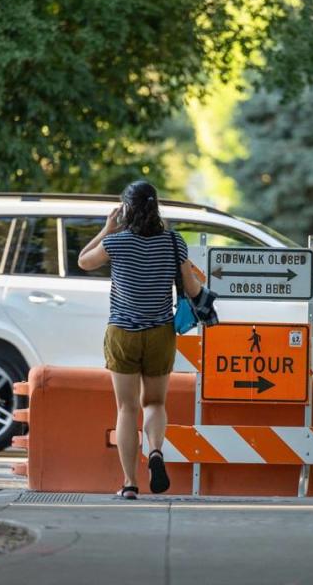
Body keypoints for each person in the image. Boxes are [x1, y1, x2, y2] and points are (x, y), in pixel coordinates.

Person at [78, 181, 202, 499]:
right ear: (156, 207)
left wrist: (107, 228)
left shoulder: (117, 243)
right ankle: (156, 451)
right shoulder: (174, 243)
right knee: (155, 403)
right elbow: (191, 289)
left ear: (127, 210)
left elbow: (83, 260)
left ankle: (130, 483)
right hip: (160, 333)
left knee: (126, 409)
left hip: (122, 334)